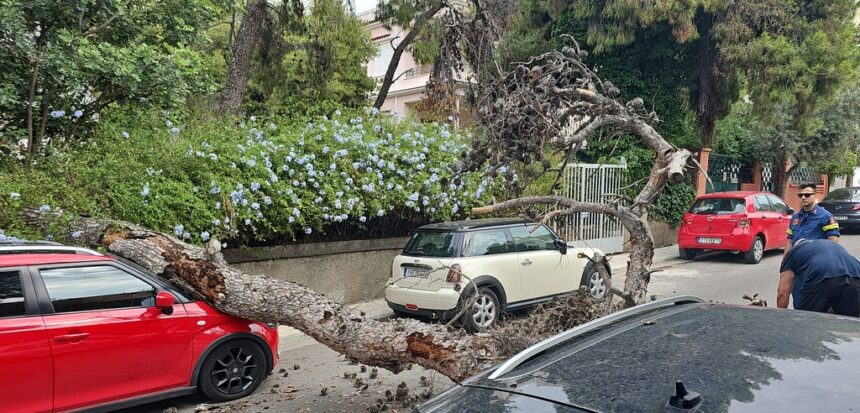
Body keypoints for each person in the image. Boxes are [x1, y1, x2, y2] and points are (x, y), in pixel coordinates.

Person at [777, 239, 860, 316]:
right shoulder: (829, 245)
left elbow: (782, 293)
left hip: (822, 277)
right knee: (847, 325)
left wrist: (781, 319)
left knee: (804, 321)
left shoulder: (792, 253)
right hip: (856, 279)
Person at [784, 183, 840, 256]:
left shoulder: (826, 217)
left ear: (815, 195)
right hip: (797, 259)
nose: (803, 198)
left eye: (807, 195)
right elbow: (789, 242)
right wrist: (785, 263)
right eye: (800, 195)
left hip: (816, 260)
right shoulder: (795, 217)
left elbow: (833, 242)